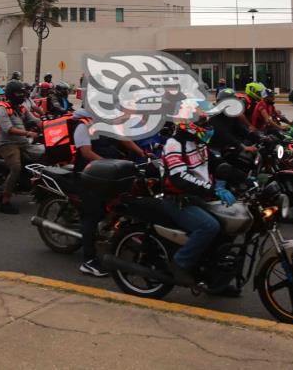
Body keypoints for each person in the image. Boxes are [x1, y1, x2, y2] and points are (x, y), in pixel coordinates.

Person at [161, 114, 235, 287]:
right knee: (209, 226)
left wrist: (245, 179)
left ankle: (216, 281)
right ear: (188, 124)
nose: (206, 126)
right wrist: (212, 190)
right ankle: (180, 263)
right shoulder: (174, 144)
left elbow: (217, 164)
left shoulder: (199, 143)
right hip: (177, 199)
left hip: (198, 196)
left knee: (228, 227)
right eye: (202, 123)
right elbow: (179, 177)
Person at [72, 108, 147, 276]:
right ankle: (89, 261)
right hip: (89, 176)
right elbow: (86, 152)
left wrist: (142, 153)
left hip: (108, 175)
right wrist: (108, 164)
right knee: (91, 215)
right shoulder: (83, 126)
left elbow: (124, 139)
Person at [0, 80, 42, 214]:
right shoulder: (2, 109)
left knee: (45, 153)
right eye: (19, 93)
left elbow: (35, 120)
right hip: (8, 144)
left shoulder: (21, 108)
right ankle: (5, 202)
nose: (22, 95)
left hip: (24, 143)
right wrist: (28, 133)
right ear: (11, 94)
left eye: (23, 92)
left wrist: (51, 125)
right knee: (16, 168)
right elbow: (8, 129)